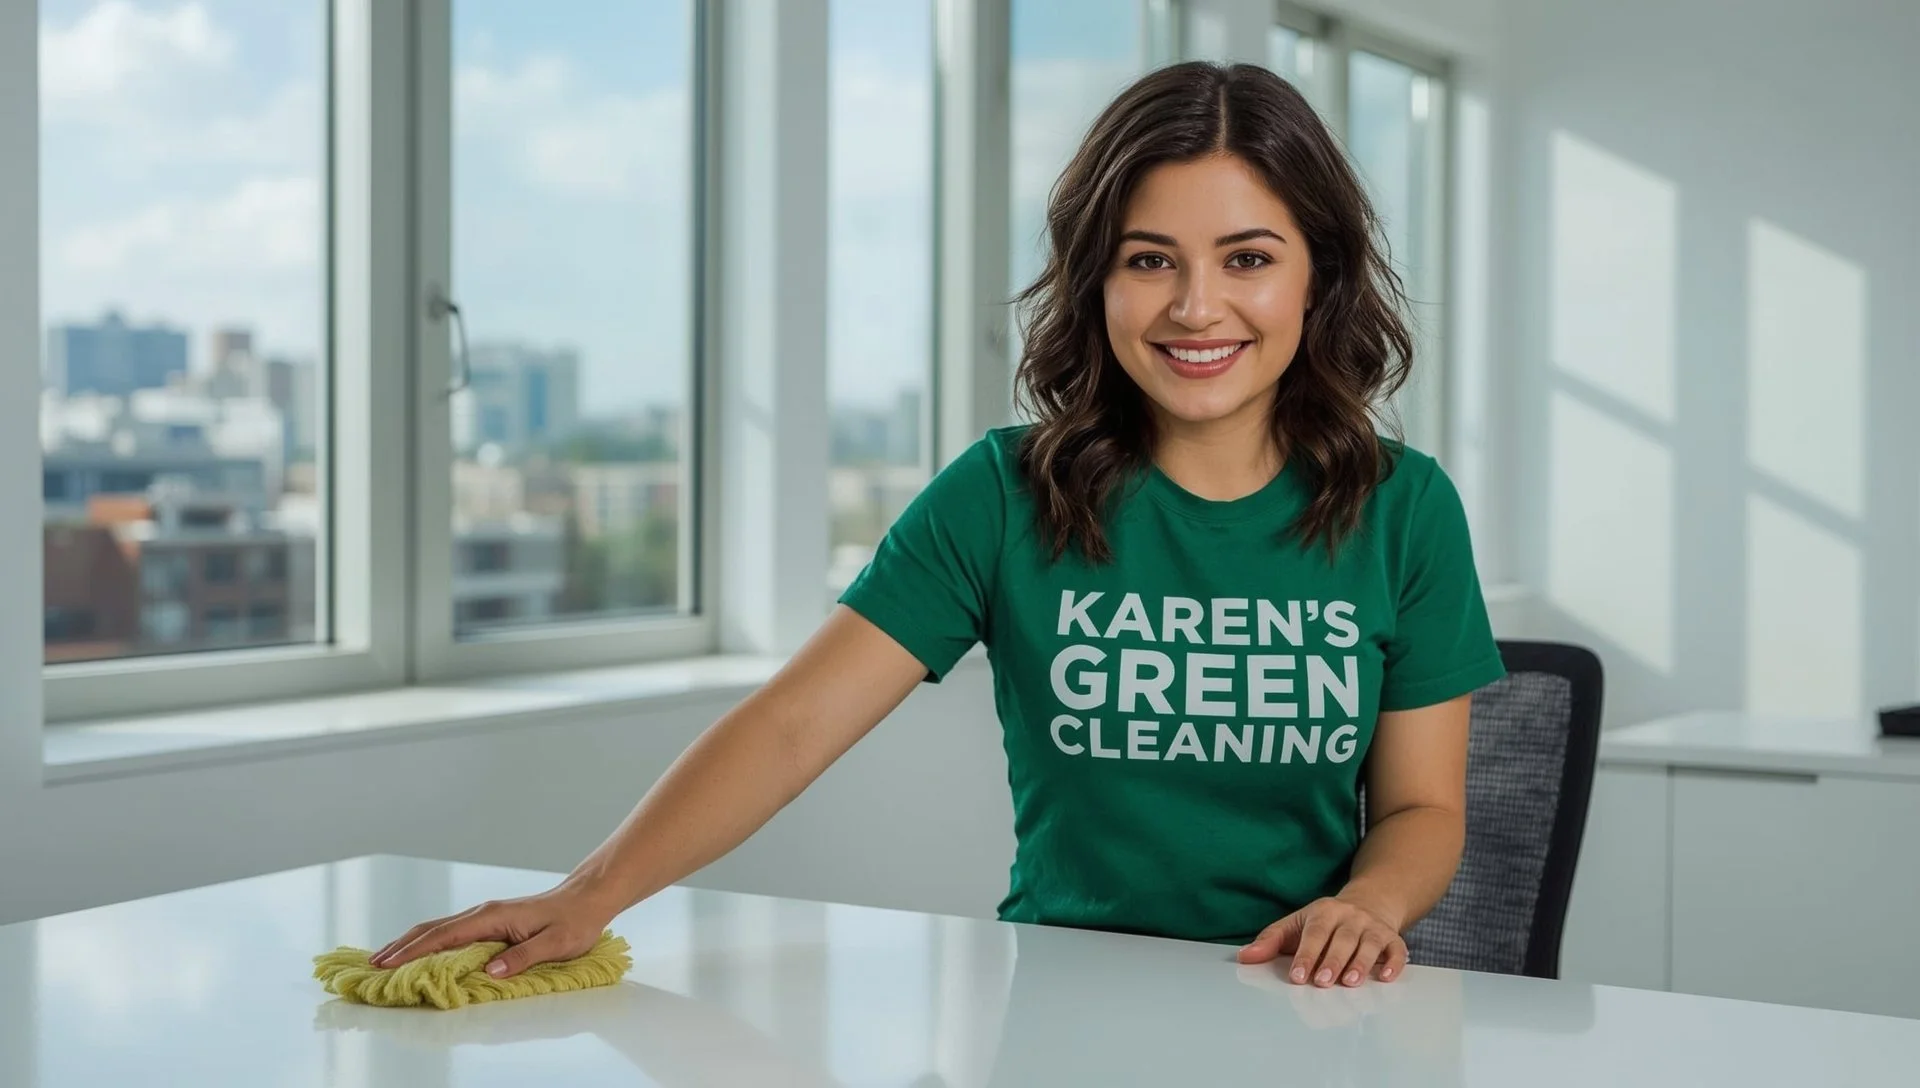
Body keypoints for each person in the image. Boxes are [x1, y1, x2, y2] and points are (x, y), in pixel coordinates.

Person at [371, 60, 1503, 992]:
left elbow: (1420, 805)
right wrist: (589, 892)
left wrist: (1367, 902)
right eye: (1148, 259)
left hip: (1309, 1007)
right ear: (1095, 282)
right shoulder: (1004, 493)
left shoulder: (1405, 508)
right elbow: (792, 726)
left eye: (1247, 259)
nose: (1194, 307)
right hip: (1062, 993)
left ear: (1319, 276)